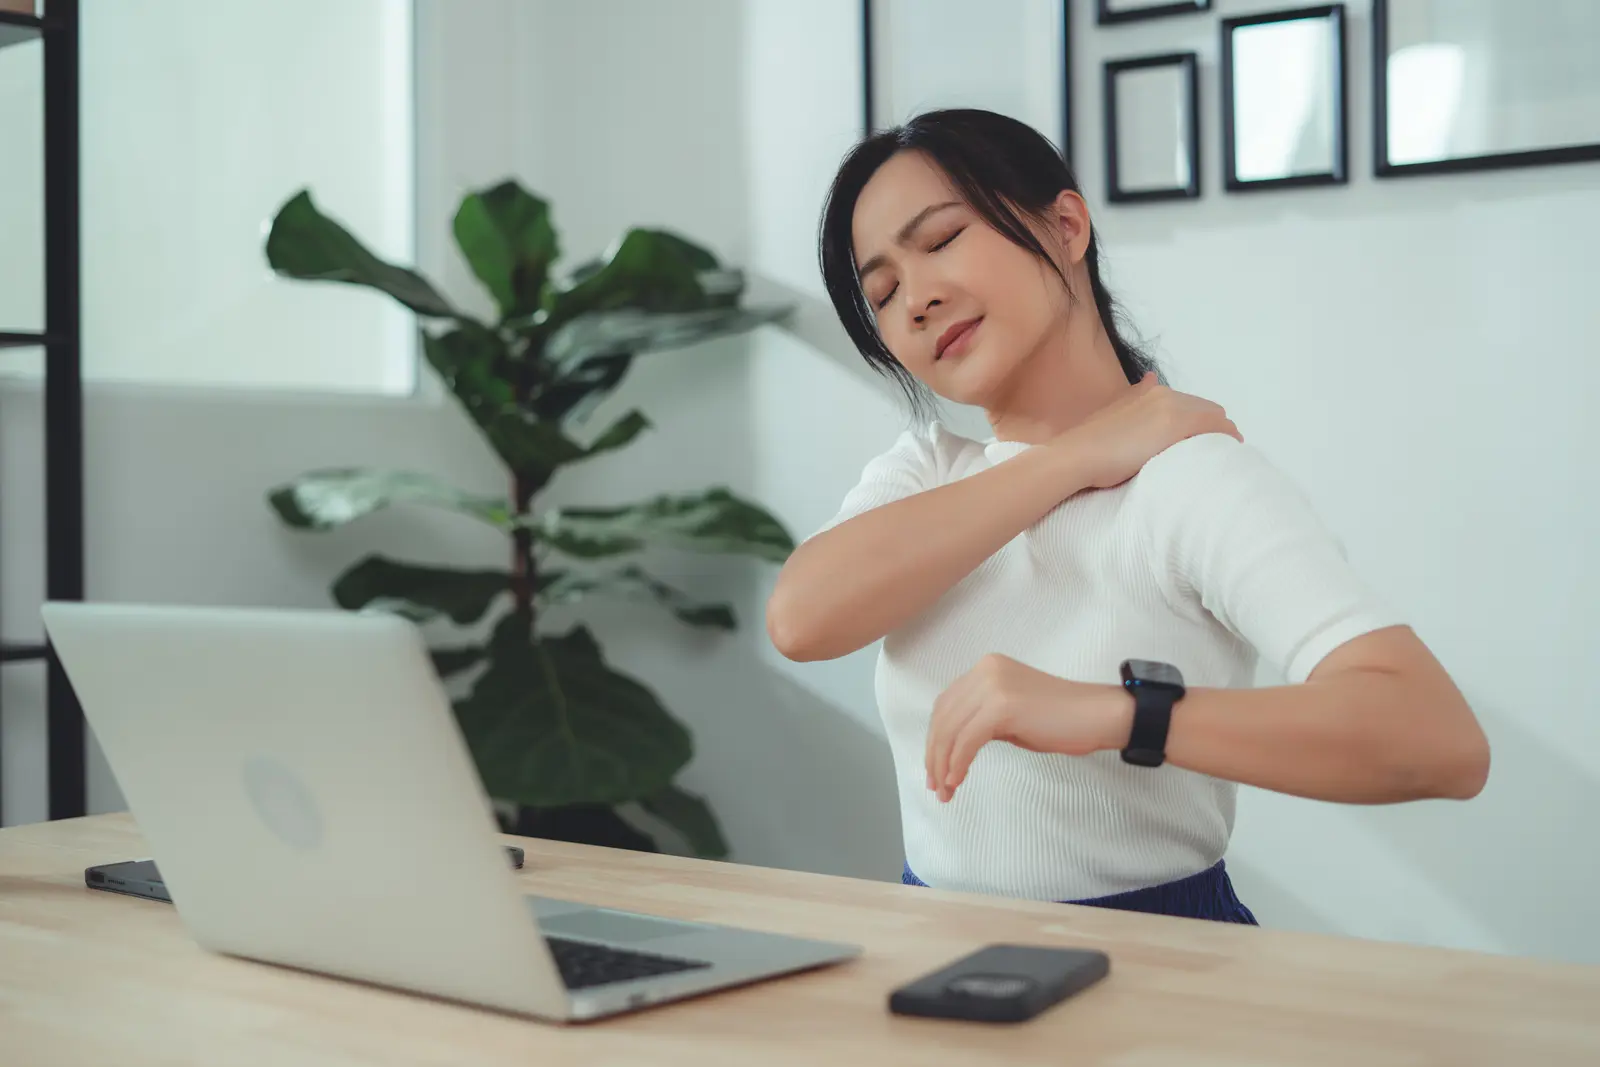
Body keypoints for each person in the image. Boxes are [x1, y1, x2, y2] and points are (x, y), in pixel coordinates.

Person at [765, 108, 1490, 925]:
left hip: (1158, 969)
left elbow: (1437, 740)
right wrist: (1075, 457)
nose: (919, 299)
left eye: (940, 240)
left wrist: (1117, 713)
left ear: (1066, 225)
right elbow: (801, 618)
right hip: (940, 966)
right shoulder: (927, 471)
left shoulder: (1189, 477)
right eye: (885, 294)